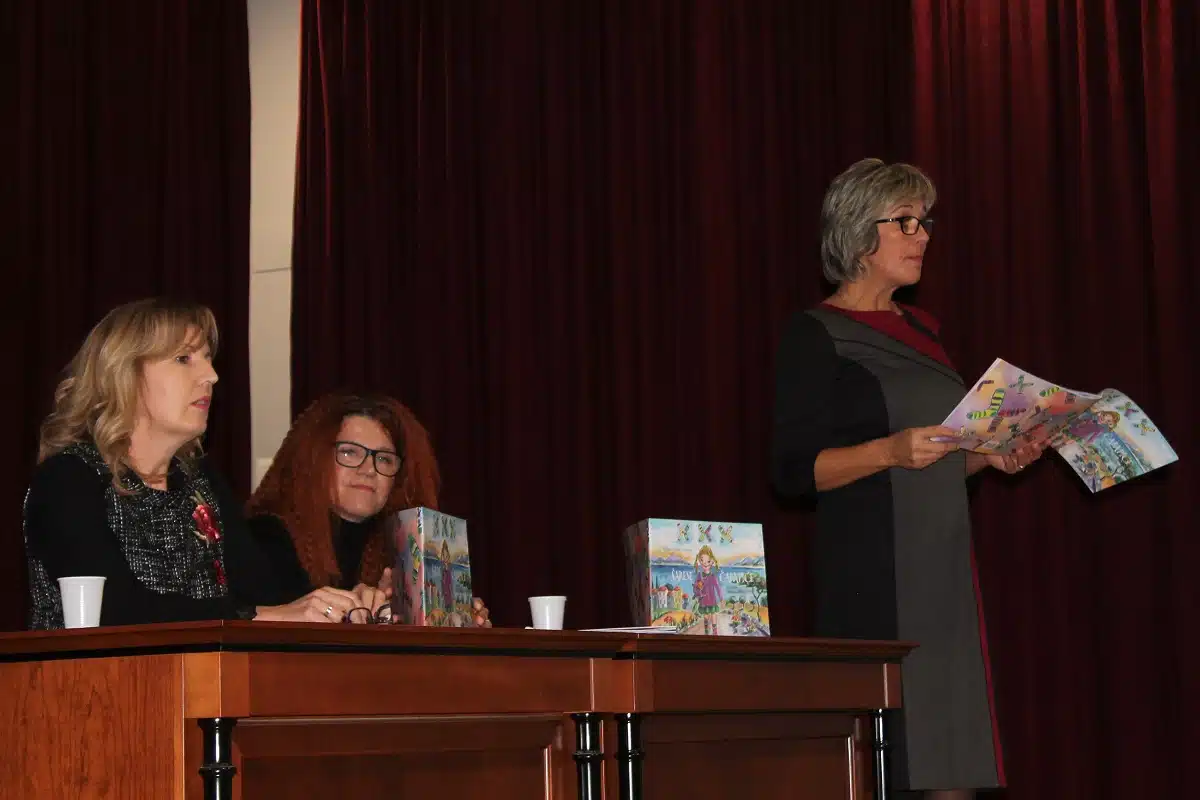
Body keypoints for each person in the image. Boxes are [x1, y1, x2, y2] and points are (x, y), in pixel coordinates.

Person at [770, 159, 1044, 799]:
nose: (922, 236)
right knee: (886, 765)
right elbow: (793, 473)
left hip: (942, 569)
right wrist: (888, 451)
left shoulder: (923, 332)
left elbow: (935, 456)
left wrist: (987, 458)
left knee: (952, 761)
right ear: (858, 234)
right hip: (872, 573)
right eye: (905, 222)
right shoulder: (816, 333)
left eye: (925, 222)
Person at [24, 298, 366, 629]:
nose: (211, 376)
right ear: (124, 374)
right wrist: (256, 615)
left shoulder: (199, 482)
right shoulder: (68, 478)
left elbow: (267, 598)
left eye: (207, 359)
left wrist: (345, 604)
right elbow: (111, 608)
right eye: (184, 358)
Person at [245, 392, 491, 627]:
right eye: (349, 452)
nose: (369, 469)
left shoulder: (407, 548)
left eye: (384, 458)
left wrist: (452, 622)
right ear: (314, 460)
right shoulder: (265, 537)